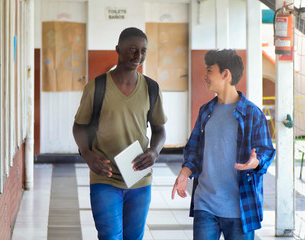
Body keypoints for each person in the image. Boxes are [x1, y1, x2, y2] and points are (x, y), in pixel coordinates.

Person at [73, 27, 167, 240]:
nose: (137, 56)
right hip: (104, 177)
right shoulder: (96, 87)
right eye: (132, 49)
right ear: (118, 49)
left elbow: (160, 130)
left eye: (143, 51)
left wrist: (153, 152)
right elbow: (79, 126)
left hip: (139, 178)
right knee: (109, 236)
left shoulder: (151, 88)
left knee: (134, 237)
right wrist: (87, 154)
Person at [171, 49, 275, 240]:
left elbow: (266, 152)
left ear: (225, 74)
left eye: (209, 71)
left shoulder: (252, 114)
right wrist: (185, 173)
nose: (205, 76)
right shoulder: (206, 111)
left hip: (240, 208)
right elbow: (193, 149)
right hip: (205, 204)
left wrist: (256, 162)